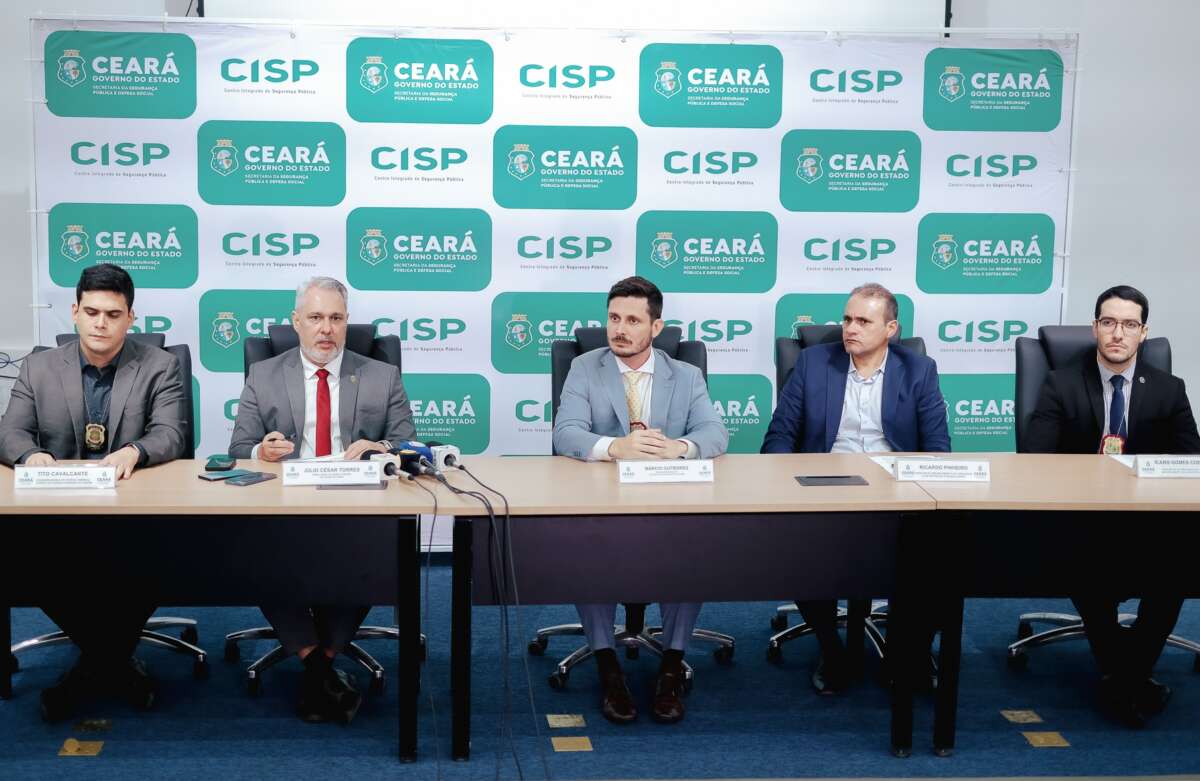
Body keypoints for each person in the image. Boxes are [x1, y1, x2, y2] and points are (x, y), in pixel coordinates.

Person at [0, 263, 186, 721]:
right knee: (29, 562)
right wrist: (31, 455)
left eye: (113, 314)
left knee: (158, 559)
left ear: (131, 318)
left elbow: (171, 433)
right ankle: (114, 661)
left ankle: (91, 668)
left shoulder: (160, 366)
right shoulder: (39, 367)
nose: (101, 323)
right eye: (92, 312)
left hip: (134, 514)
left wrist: (136, 450)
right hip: (56, 513)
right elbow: (9, 432)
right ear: (75, 312)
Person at [228, 276, 416, 724]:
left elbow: (408, 443)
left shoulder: (381, 375)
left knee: (377, 547)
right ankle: (319, 666)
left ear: (347, 322)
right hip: (285, 505)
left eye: (335, 318)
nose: (326, 329)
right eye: (315, 317)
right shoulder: (264, 374)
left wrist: (379, 448)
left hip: (356, 506)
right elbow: (238, 448)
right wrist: (261, 451)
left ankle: (318, 663)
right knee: (258, 550)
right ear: (296, 322)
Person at [552, 275, 729, 725]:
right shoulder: (585, 367)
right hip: (602, 501)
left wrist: (679, 447)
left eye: (633, 320)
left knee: (691, 550)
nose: (620, 329)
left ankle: (671, 664)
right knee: (588, 552)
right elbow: (565, 434)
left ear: (656, 327)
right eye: (614, 318)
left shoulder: (685, 375)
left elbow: (715, 432)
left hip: (668, 500)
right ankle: (607, 665)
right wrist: (616, 447)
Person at [1024, 284, 1200, 727]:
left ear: (1144, 332)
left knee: (1178, 567)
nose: (1118, 333)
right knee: (1087, 563)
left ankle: (1124, 676)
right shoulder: (1062, 382)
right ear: (1095, 328)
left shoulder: (1169, 389)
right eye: (1108, 322)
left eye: (1129, 324)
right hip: (1082, 518)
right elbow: (1035, 458)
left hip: (1149, 521)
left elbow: (1192, 462)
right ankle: (1132, 680)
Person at [761, 283, 950, 695]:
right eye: (847, 319)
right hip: (823, 489)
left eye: (863, 321)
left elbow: (938, 448)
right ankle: (831, 648)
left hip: (896, 490)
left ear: (891, 329)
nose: (850, 328)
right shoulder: (814, 363)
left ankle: (908, 650)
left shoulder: (919, 369)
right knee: (801, 549)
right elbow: (779, 436)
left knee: (940, 548)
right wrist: (787, 485)